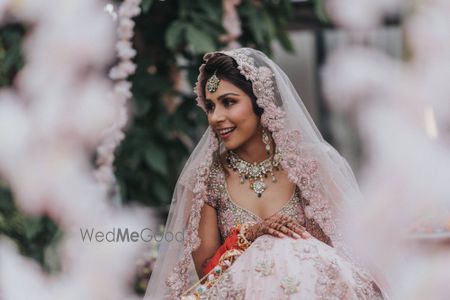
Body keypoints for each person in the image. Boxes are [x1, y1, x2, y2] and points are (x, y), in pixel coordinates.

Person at [145, 48, 385, 299]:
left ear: (260, 101)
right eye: (210, 107)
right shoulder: (206, 179)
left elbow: (352, 252)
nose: (216, 117)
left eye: (228, 102)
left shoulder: (309, 163)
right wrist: (251, 235)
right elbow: (208, 275)